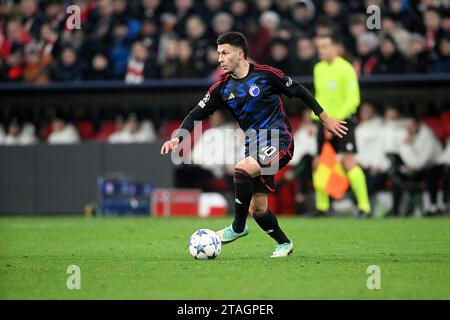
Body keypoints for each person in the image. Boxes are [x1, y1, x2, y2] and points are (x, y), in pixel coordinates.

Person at [161, 31, 347, 258]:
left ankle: (238, 227)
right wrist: (177, 138)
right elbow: (195, 114)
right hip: (254, 146)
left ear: (240, 55)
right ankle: (284, 243)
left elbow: (298, 90)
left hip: (280, 141)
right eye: (218, 53)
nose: (219, 58)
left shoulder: (266, 75)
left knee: (241, 169)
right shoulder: (221, 88)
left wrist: (325, 118)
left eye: (224, 53)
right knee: (258, 209)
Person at [312, 33, 371, 217]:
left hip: (343, 122)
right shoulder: (318, 68)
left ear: (336, 48)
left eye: (325, 46)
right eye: (319, 47)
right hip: (324, 123)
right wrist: (315, 118)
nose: (321, 50)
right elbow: (319, 97)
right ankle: (322, 208)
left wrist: (334, 119)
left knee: (348, 162)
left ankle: (364, 208)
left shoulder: (346, 69)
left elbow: (353, 99)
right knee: (318, 163)